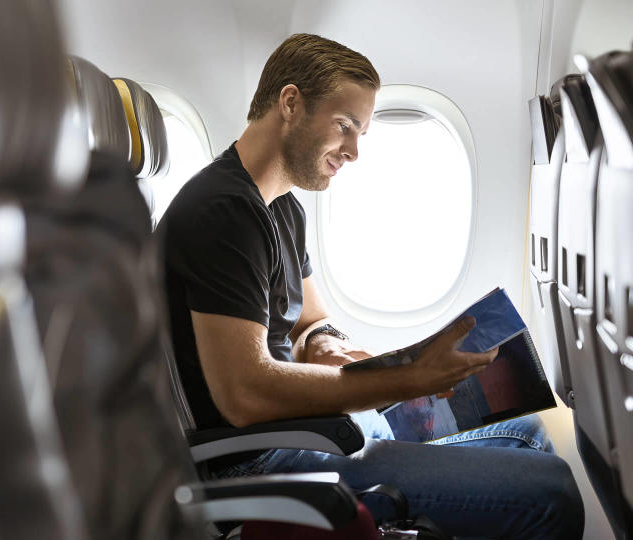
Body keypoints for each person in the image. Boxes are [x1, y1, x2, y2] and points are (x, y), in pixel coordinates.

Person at [158, 33, 584, 539]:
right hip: (265, 461)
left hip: (313, 433)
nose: (355, 152)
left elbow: (310, 320)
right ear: (290, 103)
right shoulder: (222, 211)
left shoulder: (282, 209)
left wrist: (328, 346)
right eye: (345, 126)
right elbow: (243, 394)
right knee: (551, 494)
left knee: (527, 434)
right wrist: (409, 381)